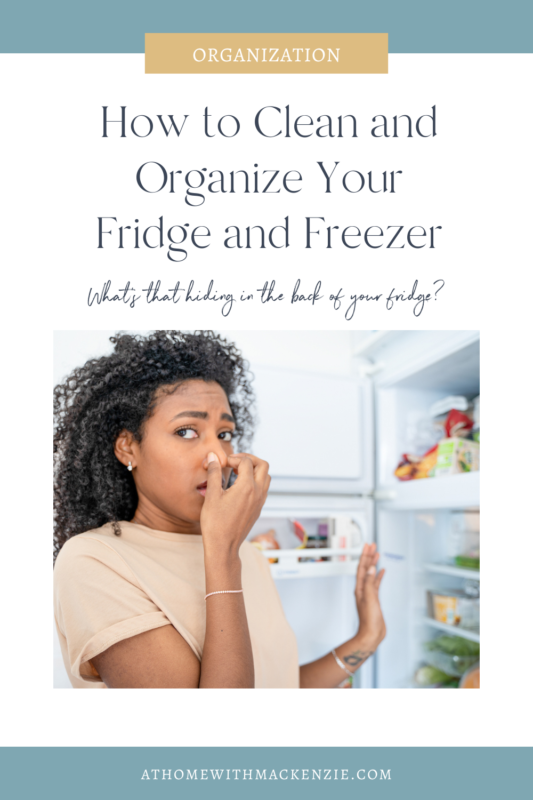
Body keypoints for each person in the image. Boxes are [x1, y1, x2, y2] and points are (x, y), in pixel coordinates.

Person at [54, 330, 386, 689]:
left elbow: (276, 686)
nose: (218, 456)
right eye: (186, 431)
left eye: (225, 434)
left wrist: (367, 638)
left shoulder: (248, 555)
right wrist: (223, 553)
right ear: (127, 447)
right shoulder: (94, 561)